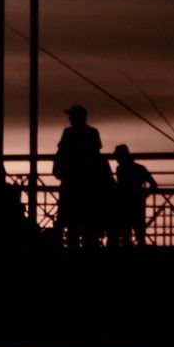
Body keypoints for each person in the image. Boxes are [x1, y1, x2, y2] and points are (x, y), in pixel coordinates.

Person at [54, 105, 109, 248]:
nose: (70, 119)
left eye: (71, 116)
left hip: (72, 181)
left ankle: (72, 246)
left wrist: (56, 168)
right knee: (87, 219)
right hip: (88, 182)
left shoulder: (69, 133)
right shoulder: (92, 133)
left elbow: (60, 152)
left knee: (71, 219)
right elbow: (96, 155)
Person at [112, 144, 157, 247]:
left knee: (125, 234)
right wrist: (144, 195)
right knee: (139, 233)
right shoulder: (140, 168)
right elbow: (153, 184)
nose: (116, 159)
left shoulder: (120, 169)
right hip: (137, 202)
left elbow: (121, 186)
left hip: (124, 203)